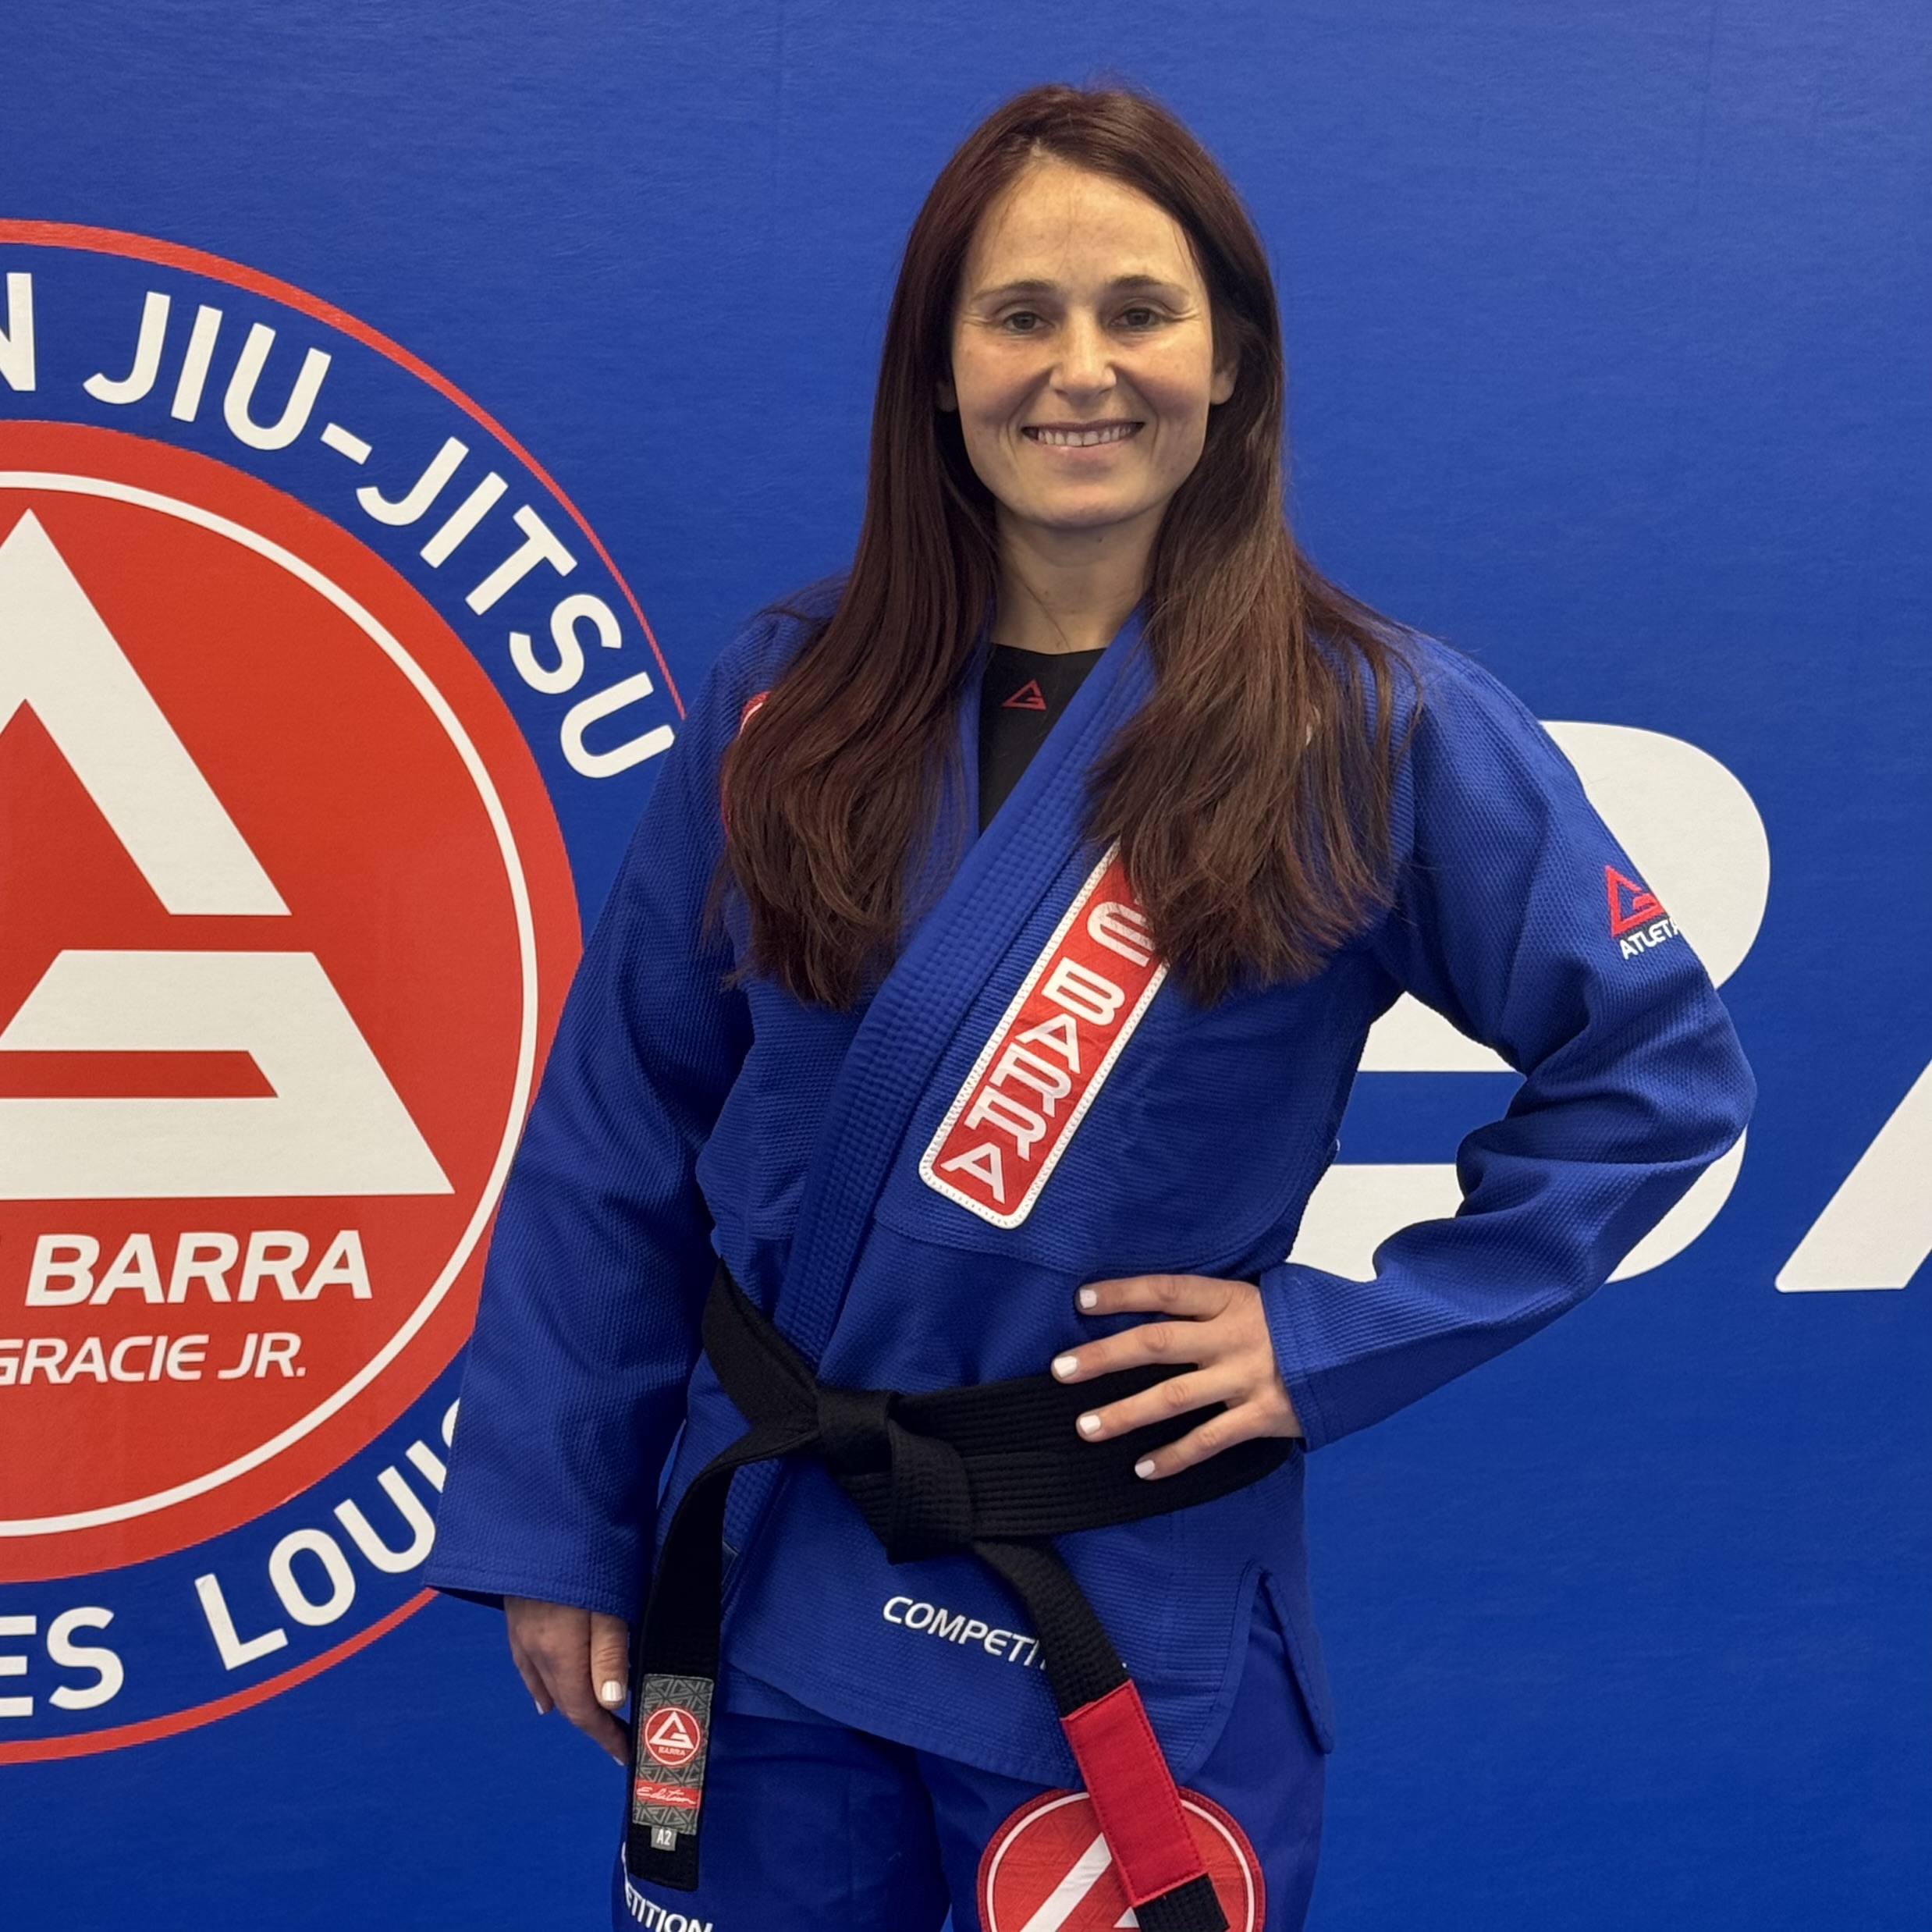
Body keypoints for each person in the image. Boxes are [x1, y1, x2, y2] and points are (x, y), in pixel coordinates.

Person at [426, 83, 1755, 1932]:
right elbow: (622, 1123)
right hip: (779, 1581)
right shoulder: (788, 699)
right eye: (1017, 314)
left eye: (1138, 311)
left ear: (1229, 361)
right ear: (938, 368)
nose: (1080, 368)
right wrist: (561, 1517)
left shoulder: (1365, 726)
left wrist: (1327, 1337)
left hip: (1116, 1609)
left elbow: (1653, 1069)